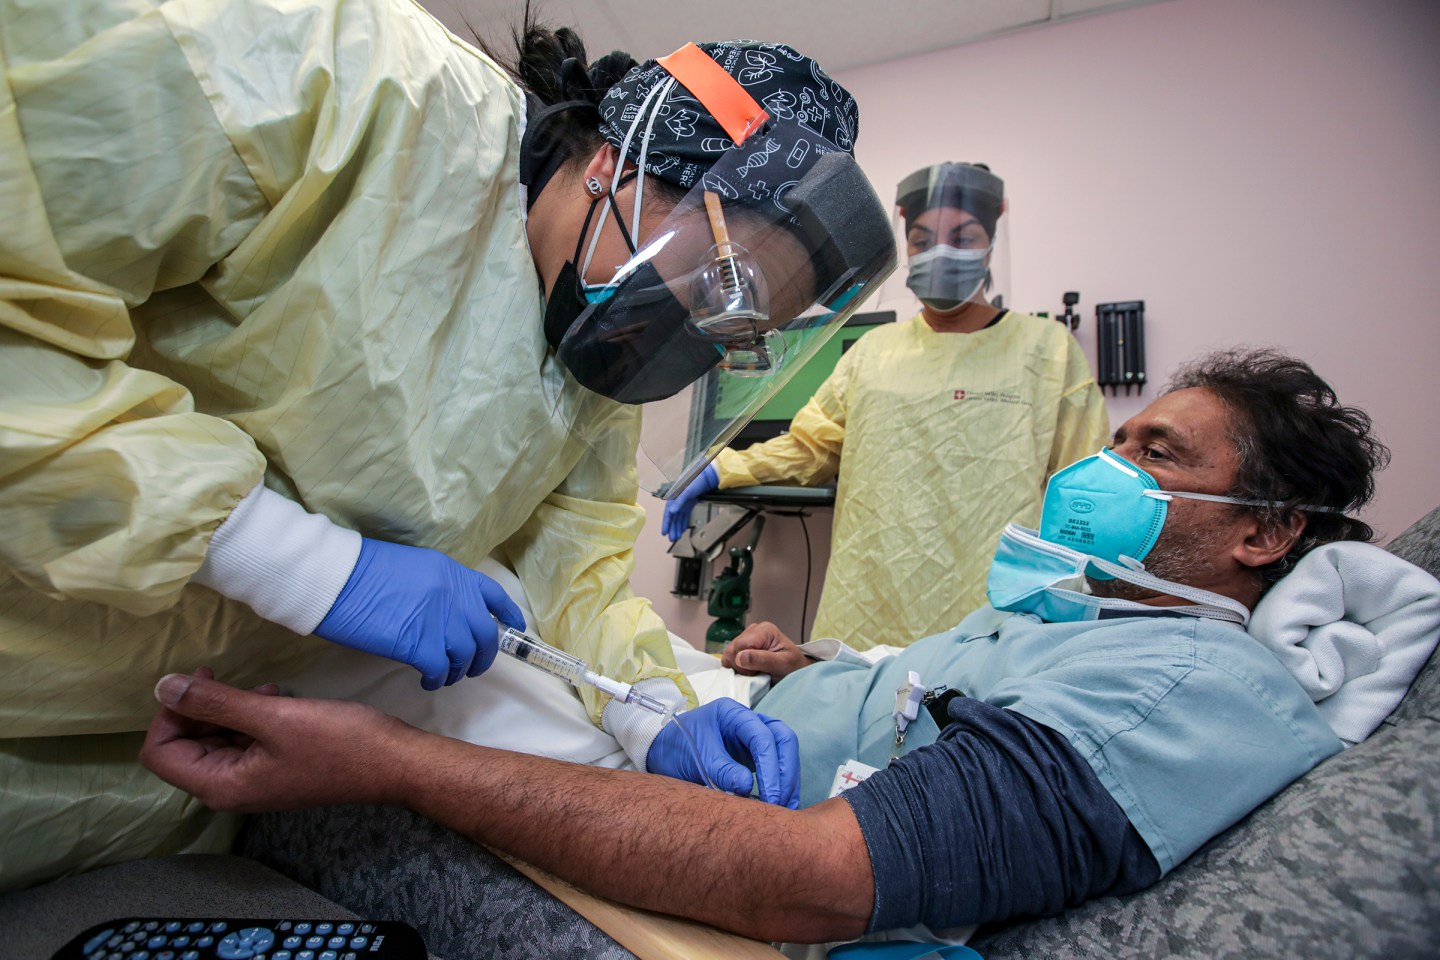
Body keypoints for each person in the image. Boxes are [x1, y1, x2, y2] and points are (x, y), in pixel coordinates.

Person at [0, 0, 898, 892]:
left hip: (167, 747)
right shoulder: (335, 78)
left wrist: (653, 711)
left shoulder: (592, 369)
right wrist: (308, 566)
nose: (698, 333)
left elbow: (576, 571)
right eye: (720, 283)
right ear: (615, 163)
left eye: (741, 327)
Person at [141, 348, 1411, 948]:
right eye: (1119, 441)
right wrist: (819, 668)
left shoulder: (1191, 683)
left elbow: (814, 878)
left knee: (378, 670)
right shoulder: (1084, 621)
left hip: (725, 806)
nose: (1105, 467)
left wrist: (387, 764)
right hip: (734, 724)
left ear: (1266, 532)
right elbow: (937, 701)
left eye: (1156, 455)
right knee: (493, 604)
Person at [662, 162, 1110, 650]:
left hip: (991, 622)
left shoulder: (1047, 349)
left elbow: (1085, 490)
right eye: (922, 240)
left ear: (991, 244)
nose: (939, 252)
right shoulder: (873, 351)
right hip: (867, 611)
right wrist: (720, 468)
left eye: (962, 238)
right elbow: (809, 449)